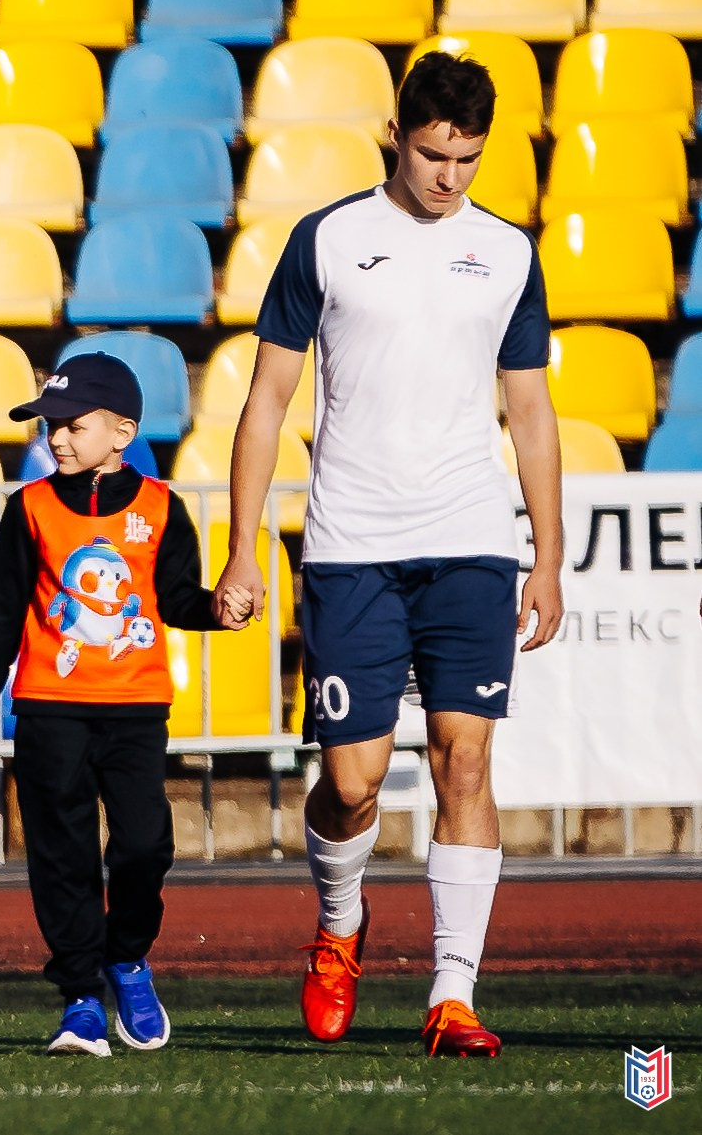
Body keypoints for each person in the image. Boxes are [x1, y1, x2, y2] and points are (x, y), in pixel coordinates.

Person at [213, 51, 564, 1057]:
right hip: (351, 547)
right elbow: (266, 401)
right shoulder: (326, 240)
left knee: (465, 758)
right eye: (431, 154)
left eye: (467, 158)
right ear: (394, 138)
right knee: (354, 780)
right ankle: (339, 923)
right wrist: (242, 550)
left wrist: (546, 557)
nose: (449, 176)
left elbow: (530, 410)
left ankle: (452, 993)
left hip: (469, 542)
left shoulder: (506, 251)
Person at [0, 352, 250, 1058]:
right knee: (63, 855)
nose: (55, 438)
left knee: (145, 844)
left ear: (122, 434)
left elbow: (177, 599)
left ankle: (128, 958)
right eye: (49, 425)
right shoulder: (28, 508)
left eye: (72, 425)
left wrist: (216, 609)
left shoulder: (162, 508)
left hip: (135, 709)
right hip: (48, 708)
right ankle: (80, 997)